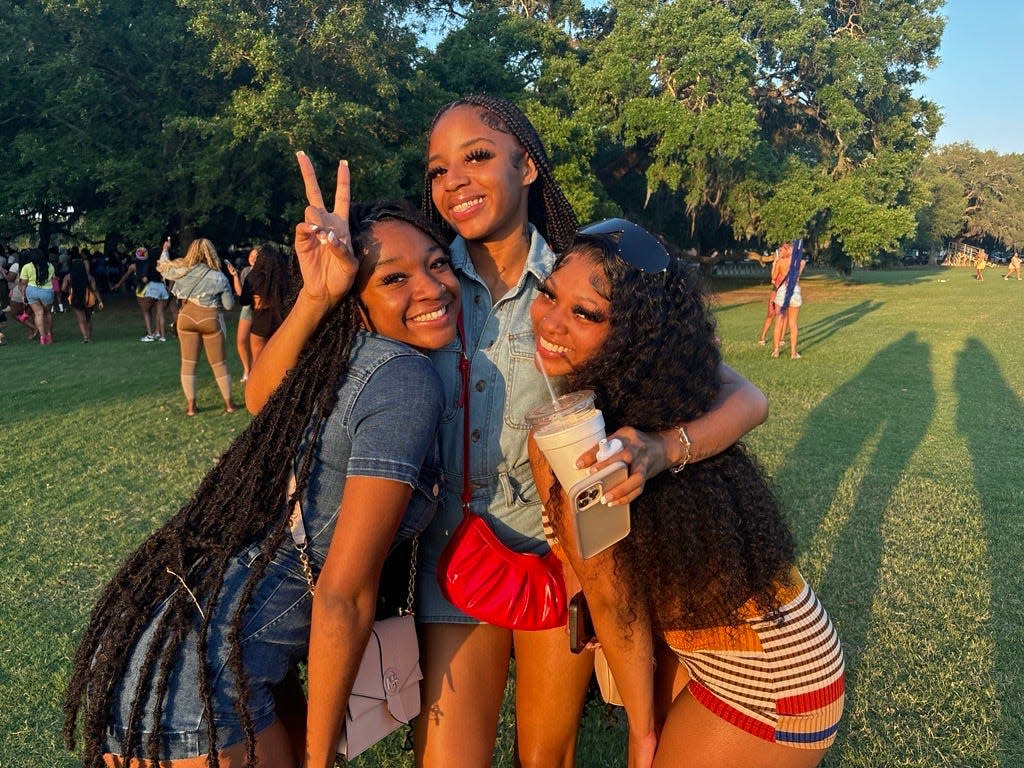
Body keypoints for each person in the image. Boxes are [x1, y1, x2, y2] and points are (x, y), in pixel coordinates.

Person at [247, 96, 769, 768]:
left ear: (526, 165)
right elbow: (267, 399)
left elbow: (745, 396)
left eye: (477, 156)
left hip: (566, 561)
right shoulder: (422, 280)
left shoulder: (581, 278)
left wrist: (666, 448)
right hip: (450, 561)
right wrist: (319, 295)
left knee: (544, 759)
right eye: (438, 170)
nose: (453, 181)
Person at [63, 198, 460, 768]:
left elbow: (256, 399)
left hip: (159, 657)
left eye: (438, 263)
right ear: (358, 300)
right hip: (204, 689)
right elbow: (342, 595)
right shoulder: (402, 378)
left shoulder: (338, 357)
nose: (431, 287)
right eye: (394, 277)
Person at [529, 220, 844, 767]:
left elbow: (615, 603)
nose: (551, 322)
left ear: (636, 336)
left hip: (769, 680)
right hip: (763, 645)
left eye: (585, 313)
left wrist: (642, 731)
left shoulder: (583, 448)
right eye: (549, 295)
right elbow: (750, 397)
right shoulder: (659, 388)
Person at [157, 238, 239, 415]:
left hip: (186, 317)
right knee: (219, 364)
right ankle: (229, 404)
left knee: (188, 363)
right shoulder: (218, 276)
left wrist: (165, 249)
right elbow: (229, 305)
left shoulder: (181, 271)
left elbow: (163, 265)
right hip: (209, 319)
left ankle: (191, 407)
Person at [241, 244, 291, 361]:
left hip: (260, 320)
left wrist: (256, 298)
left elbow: (244, 300)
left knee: (258, 361)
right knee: (279, 360)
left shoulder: (253, 277)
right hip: (280, 320)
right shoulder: (283, 277)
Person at [112, 246, 170, 341]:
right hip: (161, 288)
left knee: (146, 311)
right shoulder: (155, 264)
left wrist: (118, 285)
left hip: (146, 289)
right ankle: (160, 334)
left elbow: (126, 276)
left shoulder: (134, 266)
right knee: (159, 313)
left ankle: (150, 334)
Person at [227, 247, 258, 382]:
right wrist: (234, 276)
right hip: (247, 308)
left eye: (257, 255)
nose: (253, 258)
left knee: (256, 342)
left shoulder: (265, 272)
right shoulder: (246, 271)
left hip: (260, 309)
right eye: (252, 255)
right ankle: (247, 368)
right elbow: (240, 293)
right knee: (241, 340)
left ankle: (257, 370)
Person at [771, 241, 806, 359]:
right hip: (794, 291)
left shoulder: (781, 262)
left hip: (782, 292)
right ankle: (793, 352)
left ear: (789, 249)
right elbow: (797, 277)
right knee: (793, 323)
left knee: (778, 321)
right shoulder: (800, 262)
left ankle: (776, 350)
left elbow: (774, 278)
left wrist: (775, 263)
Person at [62, 249, 104, 342]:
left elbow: (63, 289)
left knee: (80, 319)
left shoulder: (68, 277)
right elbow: (95, 289)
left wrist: (69, 289)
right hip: (88, 298)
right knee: (88, 318)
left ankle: (85, 337)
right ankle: (89, 335)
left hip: (75, 298)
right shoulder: (89, 277)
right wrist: (100, 301)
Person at [19, 248, 56, 344]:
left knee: (38, 314)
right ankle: (49, 335)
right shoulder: (50, 266)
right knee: (47, 313)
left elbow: (23, 283)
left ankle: (42, 338)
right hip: (46, 291)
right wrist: (56, 291)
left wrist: (23, 296)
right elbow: (54, 279)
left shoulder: (26, 267)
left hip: (31, 291)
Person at [757, 247, 781, 346]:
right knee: (771, 314)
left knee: (783, 315)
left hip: (784, 291)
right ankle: (762, 337)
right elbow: (773, 277)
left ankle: (781, 338)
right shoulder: (776, 264)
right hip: (776, 291)